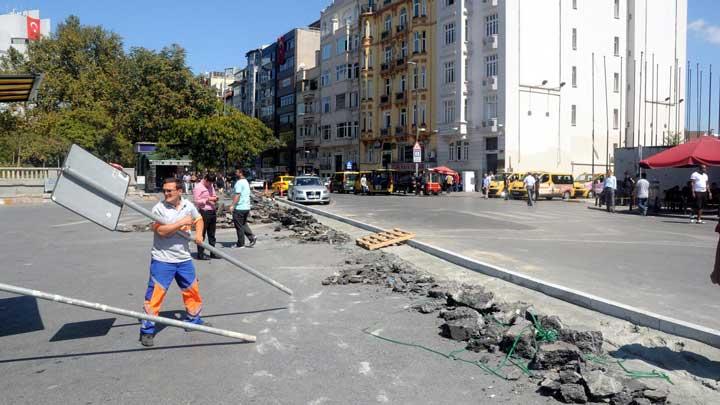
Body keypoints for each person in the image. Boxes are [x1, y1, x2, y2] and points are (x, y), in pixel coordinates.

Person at [139, 178, 208, 347]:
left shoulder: (187, 205)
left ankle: (193, 319)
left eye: (170, 190)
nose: (166, 193)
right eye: (165, 190)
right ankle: (147, 330)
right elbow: (161, 231)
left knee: (192, 290)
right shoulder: (159, 209)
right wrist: (180, 223)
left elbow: (198, 219)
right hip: (163, 259)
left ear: (179, 191)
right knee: (155, 295)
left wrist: (199, 235)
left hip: (184, 259)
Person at [193, 173, 220, 260]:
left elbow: (213, 195)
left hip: (212, 211)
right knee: (202, 234)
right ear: (205, 179)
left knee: (212, 234)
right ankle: (200, 254)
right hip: (204, 212)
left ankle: (213, 252)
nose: (210, 185)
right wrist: (207, 199)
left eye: (212, 183)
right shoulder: (198, 187)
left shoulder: (211, 186)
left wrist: (215, 198)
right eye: (209, 183)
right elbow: (196, 201)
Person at [232, 168, 257, 247]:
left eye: (237, 172)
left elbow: (237, 195)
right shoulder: (246, 182)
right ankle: (252, 237)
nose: (235, 173)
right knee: (243, 224)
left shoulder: (239, 183)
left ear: (241, 173)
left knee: (239, 226)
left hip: (239, 207)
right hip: (246, 207)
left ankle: (240, 243)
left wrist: (232, 205)